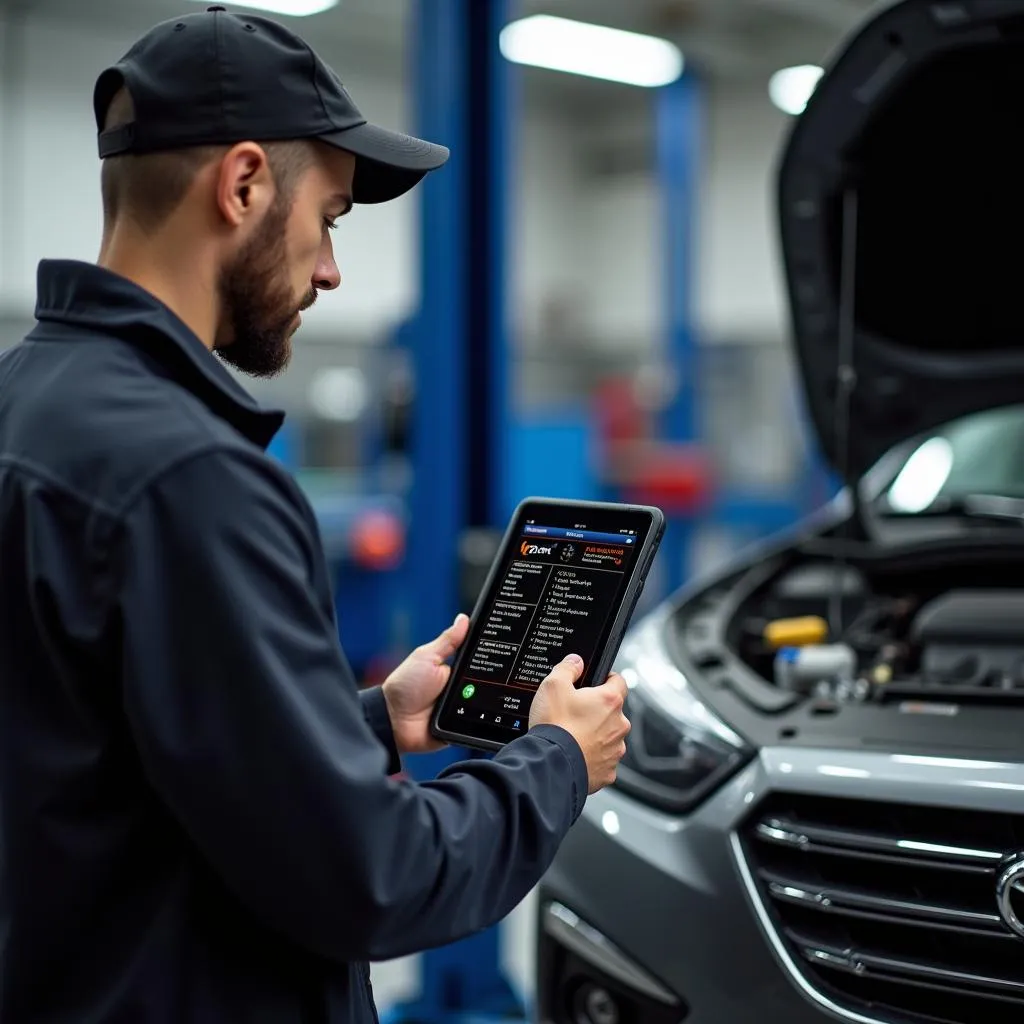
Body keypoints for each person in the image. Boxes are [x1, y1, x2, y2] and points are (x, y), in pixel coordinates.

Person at [0, 7, 632, 1024]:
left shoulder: (26, 405)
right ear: (243, 183)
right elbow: (371, 879)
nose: (331, 269)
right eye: (330, 217)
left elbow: (105, 755)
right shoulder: (191, 472)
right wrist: (554, 762)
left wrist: (373, 719)